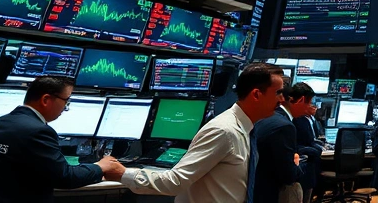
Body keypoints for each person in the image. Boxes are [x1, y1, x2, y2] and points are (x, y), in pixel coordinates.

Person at [106, 62, 286, 203]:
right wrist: (123, 173)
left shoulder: (246, 129)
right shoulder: (224, 131)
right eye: (278, 92)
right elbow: (175, 182)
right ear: (256, 94)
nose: (282, 99)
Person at [0, 76, 123, 203]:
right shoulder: (38, 131)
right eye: (66, 101)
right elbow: (65, 178)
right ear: (46, 100)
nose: (66, 108)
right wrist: (101, 166)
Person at [253, 82, 313, 203]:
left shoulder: (269, 116)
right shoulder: (285, 126)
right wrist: (297, 163)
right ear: (301, 100)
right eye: (309, 103)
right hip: (271, 191)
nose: (309, 107)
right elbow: (288, 175)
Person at [289, 83, 324, 203]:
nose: (312, 107)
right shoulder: (296, 120)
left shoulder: (309, 120)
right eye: (309, 103)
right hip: (300, 163)